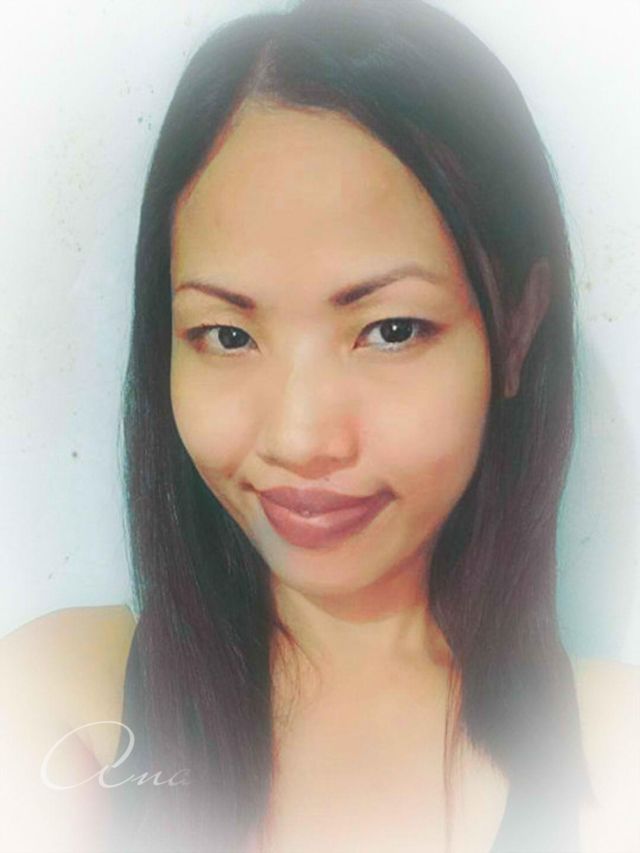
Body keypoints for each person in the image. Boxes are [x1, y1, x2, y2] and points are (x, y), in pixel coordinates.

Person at [1, 1, 638, 852]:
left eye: (391, 329)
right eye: (227, 335)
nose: (301, 439)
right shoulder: (58, 710)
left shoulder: (611, 757)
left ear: (516, 332)